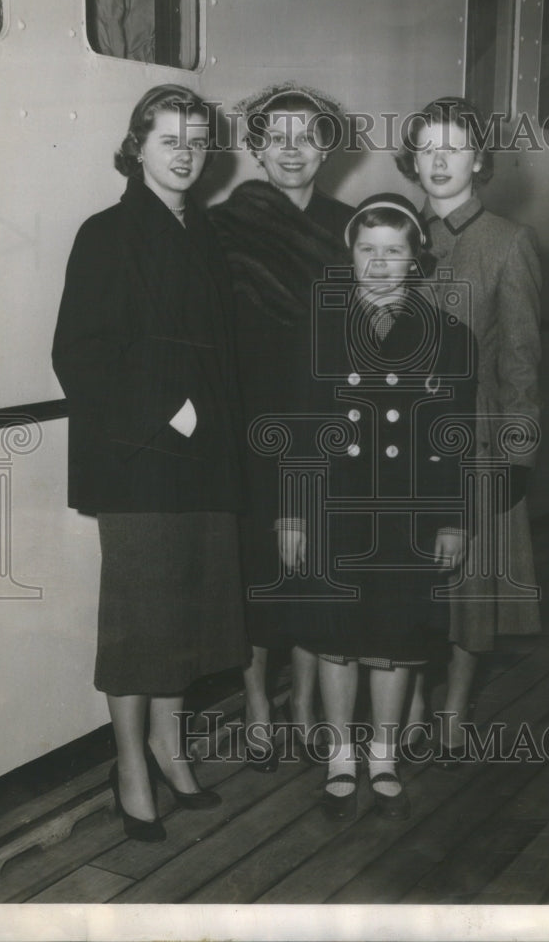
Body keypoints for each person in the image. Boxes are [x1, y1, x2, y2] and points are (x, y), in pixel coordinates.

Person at [52, 85, 249, 841]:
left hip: (206, 458)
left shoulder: (205, 235)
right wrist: (168, 411)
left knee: (191, 612)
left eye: (197, 140)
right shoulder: (106, 233)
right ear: (136, 147)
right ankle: (129, 765)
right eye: (169, 139)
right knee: (140, 622)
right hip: (142, 460)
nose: (185, 153)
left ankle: (170, 748)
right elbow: (80, 354)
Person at [300, 193, 477, 820]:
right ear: (349, 254)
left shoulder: (447, 337)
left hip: (409, 511)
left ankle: (384, 752)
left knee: (396, 637)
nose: (378, 263)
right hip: (337, 507)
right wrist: (295, 513)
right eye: (366, 249)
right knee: (336, 638)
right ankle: (340, 752)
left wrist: (453, 518)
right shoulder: (319, 327)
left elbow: (455, 431)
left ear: (415, 259)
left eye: (392, 251)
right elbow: (298, 428)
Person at [209, 81, 353, 770]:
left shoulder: (352, 227)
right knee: (254, 567)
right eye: (277, 137)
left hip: (326, 423)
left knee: (315, 569)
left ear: (328, 146)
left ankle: (303, 701)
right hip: (248, 424)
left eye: (308, 136)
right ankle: (258, 699)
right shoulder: (220, 226)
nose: (293, 151)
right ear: (257, 148)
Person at [395, 96, 542, 763]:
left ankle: (454, 704)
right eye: (427, 150)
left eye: (453, 148)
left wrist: (516, 458)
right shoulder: (397, 233)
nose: (440, 162)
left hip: (477, 438)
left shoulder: (508, 242)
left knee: (471, 584)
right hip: (401, 438)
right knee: (408, 578)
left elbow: (521, 364)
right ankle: (415, 699)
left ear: (478, 159)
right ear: (412, 162)